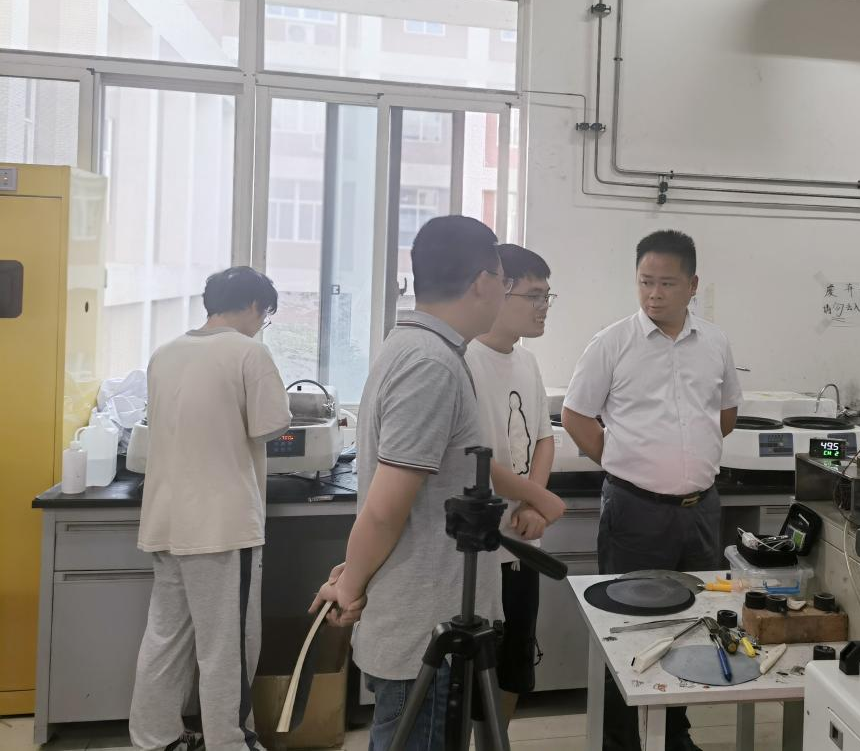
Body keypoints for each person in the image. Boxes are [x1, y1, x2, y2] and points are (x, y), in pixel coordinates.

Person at [310, 215, 508, 751]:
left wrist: (354, 572)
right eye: (504, 279)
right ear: (482, 282)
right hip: (425, 629)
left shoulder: (418, 348)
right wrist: (351, 586)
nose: (505, 292)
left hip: (428, 615)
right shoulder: (430, 363)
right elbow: (386, 508)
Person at [562, 230, 742, 751]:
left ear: (693, 285)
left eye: (667, 283)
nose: (654, 294)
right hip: (635, 509)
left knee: (691, 622)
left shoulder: (715, 342)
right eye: (645, 282)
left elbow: (726, 413)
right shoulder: (612, 342)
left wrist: (687, 458)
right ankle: (622, 741)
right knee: (627, 627)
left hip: (700, 510)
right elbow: (575, 415)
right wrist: (622, 461)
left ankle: (674, 732)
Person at [130, 266, 291, 751]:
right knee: (228, 645)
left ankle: (156, 739)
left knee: (166, 637)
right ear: (254, 306)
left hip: (166, 519)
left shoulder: (165, 353)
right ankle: (230, 742)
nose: (261, 324)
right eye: (264, 315)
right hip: (222, 527)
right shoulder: (249, 353)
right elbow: (272, 425)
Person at [464, 244, 567, 720]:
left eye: (547, 296)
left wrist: (533, 505)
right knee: (471, 671)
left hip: (524, 542)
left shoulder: (526, 361)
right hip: (478, 551)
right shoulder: (465, 360)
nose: (543, 306)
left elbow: (544, 438)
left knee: (515, 662)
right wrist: (540, 497)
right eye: (533, 295)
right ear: (499, 291)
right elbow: (472, 460)